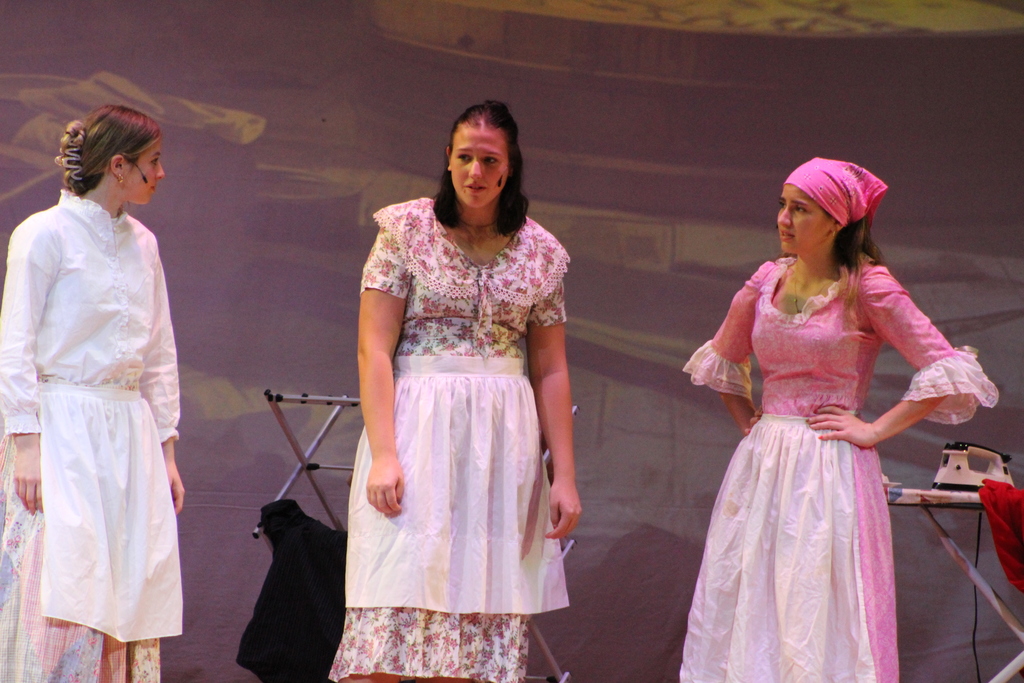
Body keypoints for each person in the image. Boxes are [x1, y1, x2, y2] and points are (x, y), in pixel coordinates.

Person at [678, 158, 998, 683]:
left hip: (828, 468)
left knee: (819, 606)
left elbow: (949, 369)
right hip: (763, 468)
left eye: (799, 209)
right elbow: (723, 360)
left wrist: (873, 430)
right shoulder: (766, 281)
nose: (783, 218)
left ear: (835, 222)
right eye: (782, 205)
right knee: (750, 600)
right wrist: (753, 423)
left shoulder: (866, 287)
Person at [330, 100, 581, 683]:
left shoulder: (542, 252)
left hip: (502, 447)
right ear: (447, 159)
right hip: (418, 430)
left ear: (509, 167)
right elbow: (374, 349)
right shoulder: (404, 231)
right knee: (394, 598)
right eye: (464, 157)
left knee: (482, 612)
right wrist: (386, 452)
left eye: (488, 160)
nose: (475, 171)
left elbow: (551, 369)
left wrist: (562, 474)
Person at [0, 104, 183, 682]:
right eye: (153, 162)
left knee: (126, 588)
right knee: (62, 586)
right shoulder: (43, 235)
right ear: (120, 165)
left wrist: (167, 451)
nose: (162, 173)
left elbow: (158, 352)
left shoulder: (144, 243)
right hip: (63, 428)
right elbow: (15, 345)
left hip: (127, 432)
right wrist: (24, 443)